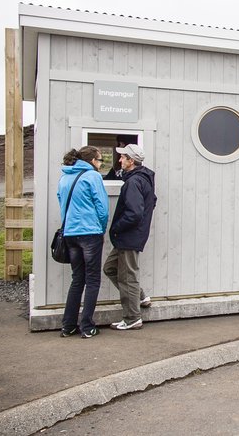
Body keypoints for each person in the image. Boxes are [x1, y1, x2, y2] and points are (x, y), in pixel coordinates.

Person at [58, 146, 109, 339]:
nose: (100, 164)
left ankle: (68, 325)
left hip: (70, 234)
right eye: (99, 160)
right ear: (92, 161)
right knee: (93, 279)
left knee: (77, 279)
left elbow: (61, 204)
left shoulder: (64, 178)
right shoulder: (92, 177)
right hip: (90, 232)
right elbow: (102, 208)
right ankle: (87, 326)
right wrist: (101, 228)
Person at [104, 144, 157, 331]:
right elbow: (153, 201)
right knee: (110, 268)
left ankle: (132, 317)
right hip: (131, 235)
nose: (120, 160)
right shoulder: (144, 178)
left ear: (131, 161)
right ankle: (140, 297)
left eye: (123, 157)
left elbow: (134, 213)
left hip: (129, 236)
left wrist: (116, 227)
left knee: (128, 277)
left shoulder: (134, 182)